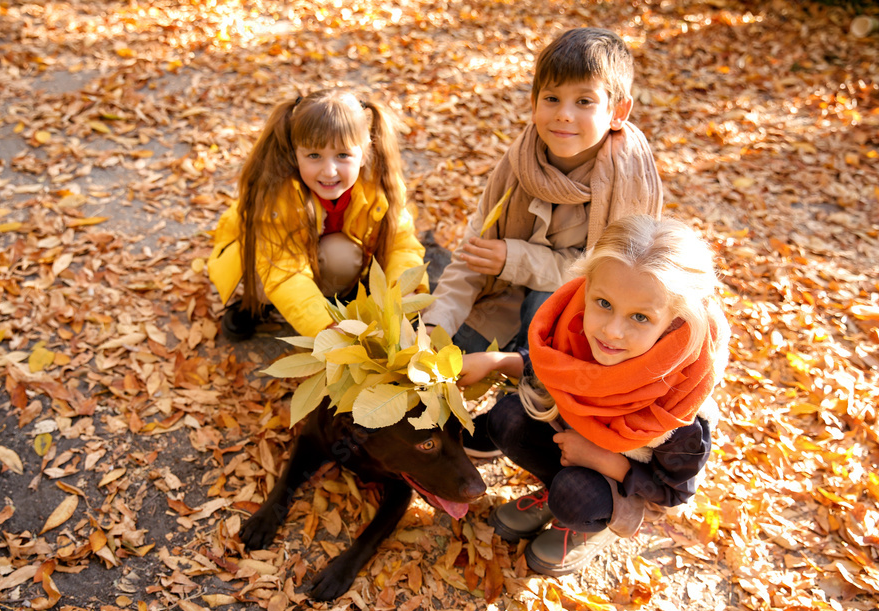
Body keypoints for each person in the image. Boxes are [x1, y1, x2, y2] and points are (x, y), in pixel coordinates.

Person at [456, 215, 730, 576]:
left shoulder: (679, 405)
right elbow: (554, 367)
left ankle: (586, 522)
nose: (612, 331)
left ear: (675, 323)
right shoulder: (573, 326)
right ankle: (553, 495)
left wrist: (606, 461)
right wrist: (496, 361)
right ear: (587, 286)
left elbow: (674, 493)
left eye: (641, 318)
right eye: (603, 303)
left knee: (576, 494)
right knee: (506, 418)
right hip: (573, 442)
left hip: (620, 477)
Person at [423, 27, 662, 354]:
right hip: (502, 297)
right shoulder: (517, 165)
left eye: (584, 101)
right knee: (442, 346)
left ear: (617, 112)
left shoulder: (629, 183)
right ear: (534, 104)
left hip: (583, 320)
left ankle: (527, 384)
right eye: (552, 99)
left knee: (545, 303)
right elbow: (474, 254)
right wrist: (436, 324)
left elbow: (608, 279)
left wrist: (514, 257)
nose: (564, 114)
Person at [207, 88, 428, 340]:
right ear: (294, 154)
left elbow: (402, 246)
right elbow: (284, 273)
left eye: (343, 155)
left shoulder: (381, 188)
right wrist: (324, 327)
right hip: (268, 260)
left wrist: (405, 294)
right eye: (314, 155)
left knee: (343, 256)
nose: (329, 171)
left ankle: (332, 299)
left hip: (324, 254)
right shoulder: (276, 195)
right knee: (265, 280)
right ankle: (258, 304)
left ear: (365, 153)